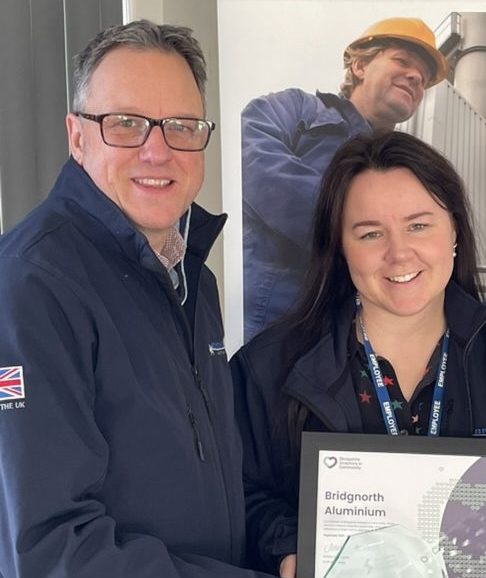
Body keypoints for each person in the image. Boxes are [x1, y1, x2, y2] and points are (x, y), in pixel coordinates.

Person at [231, 131, 486, 577]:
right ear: (339, 246)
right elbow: (240, 493)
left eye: (418, 225)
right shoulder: (269, 367)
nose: (398, 254)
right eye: (371, 233)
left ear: (453, 229)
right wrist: (292, 547)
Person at [0, 20, 273, 578]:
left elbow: (218, 477)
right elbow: (51, 551)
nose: (158, 150)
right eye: (125, 124)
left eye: (181, 125)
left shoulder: (192, 278)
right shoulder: (30, 285)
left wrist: (283, 544)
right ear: (77, 137)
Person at [240, 17, 449, 340]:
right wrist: (351, 226)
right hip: (277, 319)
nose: (415, 78)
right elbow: (252, 158)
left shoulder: (410, 164)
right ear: (360, 66)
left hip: (357, 335)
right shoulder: (297, 110)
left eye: (422, 78)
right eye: (403, 61)